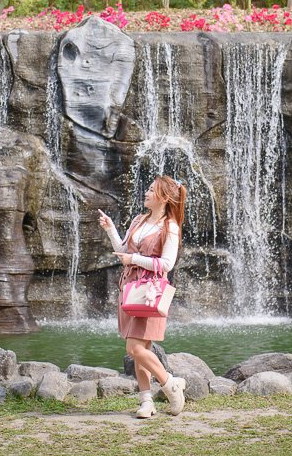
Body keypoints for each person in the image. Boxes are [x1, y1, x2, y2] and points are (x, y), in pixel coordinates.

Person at [98, 175, 188, 419]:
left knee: (135, 347)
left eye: (151, 190)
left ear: (163, 197)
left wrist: (135, 260)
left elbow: (167, 263)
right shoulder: (139, 220)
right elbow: (124, 251)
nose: (146, 193)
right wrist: (111, 229)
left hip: (150, 291)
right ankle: (146, 401)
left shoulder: (170, 227)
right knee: (141, 347)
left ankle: (171, 384)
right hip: (130, 288)